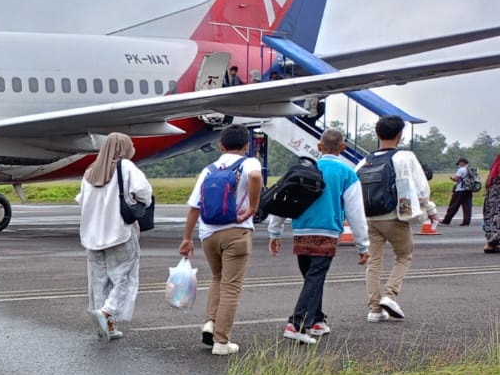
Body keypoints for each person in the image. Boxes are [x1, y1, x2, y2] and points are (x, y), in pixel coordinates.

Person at [266, 129, 371, 344]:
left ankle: (317, 320)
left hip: (301, 230)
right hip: (327, 231)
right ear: (343, 148)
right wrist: (362, 245)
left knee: (312, 278)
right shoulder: (347, 173)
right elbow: (356, 212)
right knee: (315, 278)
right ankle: (297, 323)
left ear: (319, 147)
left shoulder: (304, 169)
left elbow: (283, 200)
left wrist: (275, 232)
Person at [182, 125, 264, 356]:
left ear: (221, 146)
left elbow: (194, 207)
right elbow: (255, 176)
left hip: (208, 234)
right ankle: (221, 341)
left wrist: (186, 238)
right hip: (236, 231)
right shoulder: (249, 163)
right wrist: (253, 207)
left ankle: (211, 322)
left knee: (217, 278)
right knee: (232, 286)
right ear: (247, 145)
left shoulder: (208, 170)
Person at [356, 115, 434, 322]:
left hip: (369, 218)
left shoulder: (364, 161)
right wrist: (430, 209)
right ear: (399, 135)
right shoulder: (405, 156)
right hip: (395, 216)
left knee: (373, 262)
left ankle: (374, 309)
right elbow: (421, 188)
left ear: (377, 134)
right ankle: (390, 295)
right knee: (404, 255)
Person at [77, 132, 152, 341]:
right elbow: (144, 193)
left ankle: (108, 326)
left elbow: (81, 200)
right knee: (124, 278)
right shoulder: (126, 167)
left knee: (99, 281)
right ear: (123, 148)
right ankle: (106, 312)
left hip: (92, 236)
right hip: (119, 232)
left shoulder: (90, 172)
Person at [443, 158, 478, 227]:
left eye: (459, 163)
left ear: (462, 162)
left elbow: (456, 178)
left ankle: (446, 220)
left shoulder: (461, 169)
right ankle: (466, 222)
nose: (459, 165)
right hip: (469, 189)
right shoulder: (473, 169)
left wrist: (451, 178)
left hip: (460, 190)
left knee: (453, 205)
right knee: (467, 206)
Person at [485, 153, 500, 254]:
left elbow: (487, 184)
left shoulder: (494, 169)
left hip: (491, 201)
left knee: (492, 221)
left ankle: (490, 244)